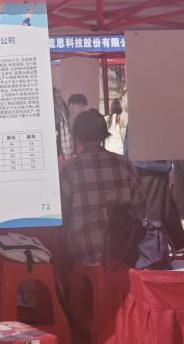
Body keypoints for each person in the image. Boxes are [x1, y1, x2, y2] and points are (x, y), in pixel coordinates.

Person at [60, 110, 147, 266]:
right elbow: (141, 208)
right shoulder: (124, 163)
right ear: (103, 135)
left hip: (84, 251)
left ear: (77, 138)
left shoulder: (70, 168)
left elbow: (63, 211)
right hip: (124, 250)